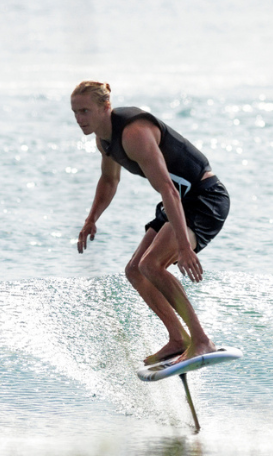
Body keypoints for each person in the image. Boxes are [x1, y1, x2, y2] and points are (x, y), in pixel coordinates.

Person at [71, 81, 230, 365]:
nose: (80, 119)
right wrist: (91, 219)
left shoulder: (134, 133)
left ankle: (202, 340)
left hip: (204, 198)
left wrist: (184, 247)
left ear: (105, 107)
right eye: (75, 112)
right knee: (135, 270)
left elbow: (168, 189)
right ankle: (178, 339)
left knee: (150, 265)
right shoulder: (103, 139)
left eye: (85, 111)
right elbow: (109, 180)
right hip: (178, 200)